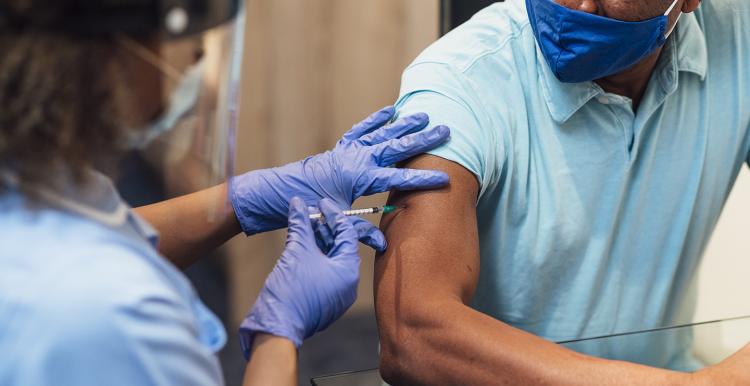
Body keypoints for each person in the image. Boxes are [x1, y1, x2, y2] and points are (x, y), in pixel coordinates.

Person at [0, 1, 451, 385]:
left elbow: (90, 233)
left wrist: (241, 202)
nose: (193, 58)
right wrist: (278, 332)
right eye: (165, 37)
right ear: (109, 56)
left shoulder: (30, 182)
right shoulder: (115, 316)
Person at [375, 0, 750, 384]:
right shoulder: (460, 79)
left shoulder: (739, 36)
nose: (582, 4)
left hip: (665, 369)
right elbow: (414, 333)